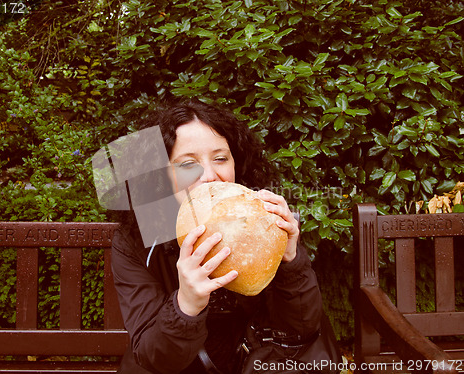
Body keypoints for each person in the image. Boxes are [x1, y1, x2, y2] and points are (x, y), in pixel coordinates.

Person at [111, 100, 327, 374]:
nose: (210, 176)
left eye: (220, 158)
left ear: (237, 162)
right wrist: (186, 304)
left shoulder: (264, 223)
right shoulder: (136, 241)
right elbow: (155, 358)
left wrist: (291, 261)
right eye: (188, 164)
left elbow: (302, 329)